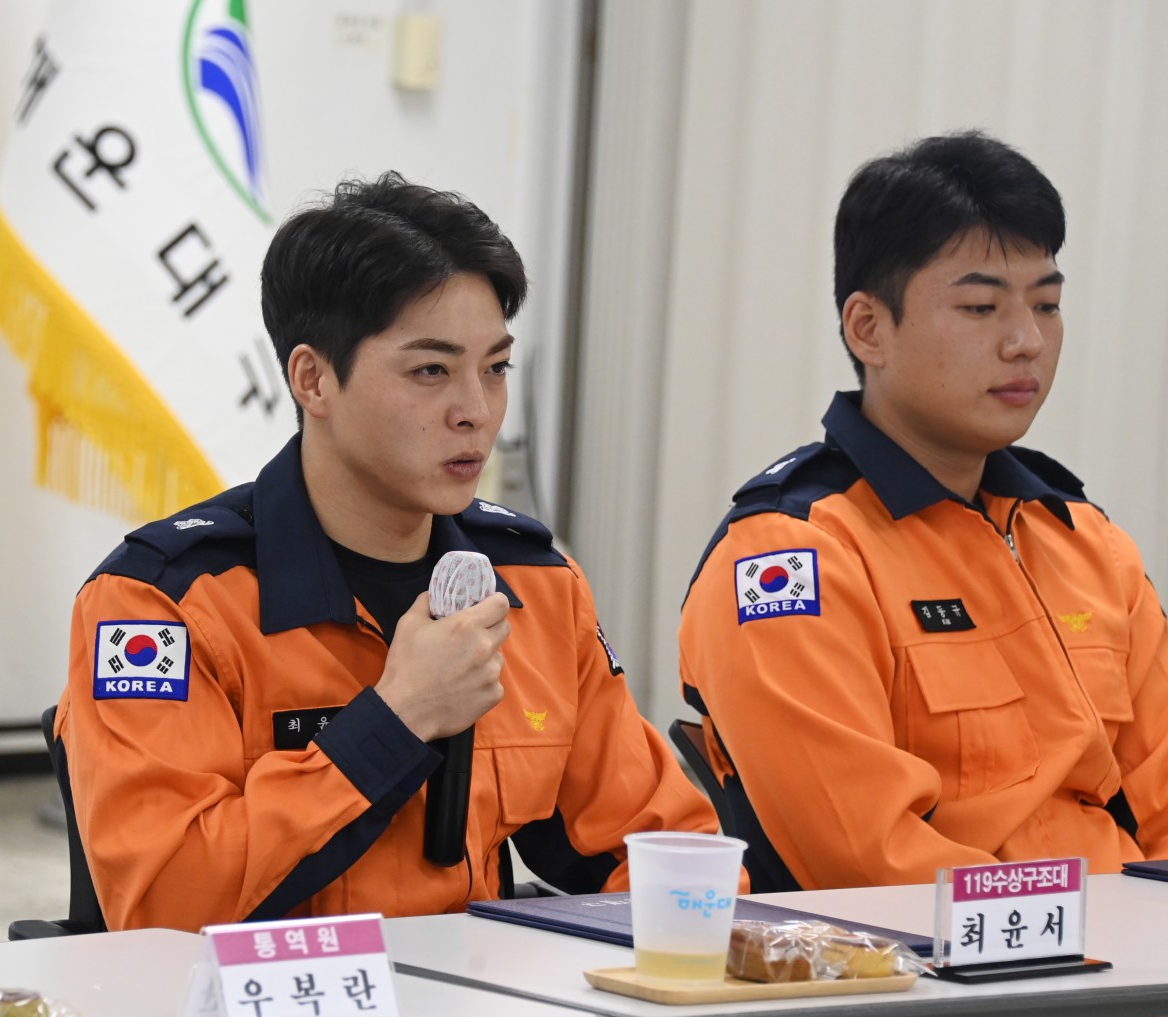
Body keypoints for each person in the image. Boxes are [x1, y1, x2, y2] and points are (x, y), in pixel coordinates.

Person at [56, 172, 718, 932]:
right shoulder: (163, 604)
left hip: (482, 998)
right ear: (313, 380)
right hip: (275, 1004)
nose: (476, 411)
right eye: (431, 370)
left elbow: (667, 849)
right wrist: (394, 720)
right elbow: (163, 905)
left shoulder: (536, 585)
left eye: (495, 368)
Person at [677, 131, 1168, 895]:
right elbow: (867, 855)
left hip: (1133, 952)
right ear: (868, 328)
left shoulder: (1087, 543)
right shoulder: (791, 557)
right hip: (947, 962)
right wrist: (1092, 944)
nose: (1027, 341)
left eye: (1048, 304)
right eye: (980, 307)